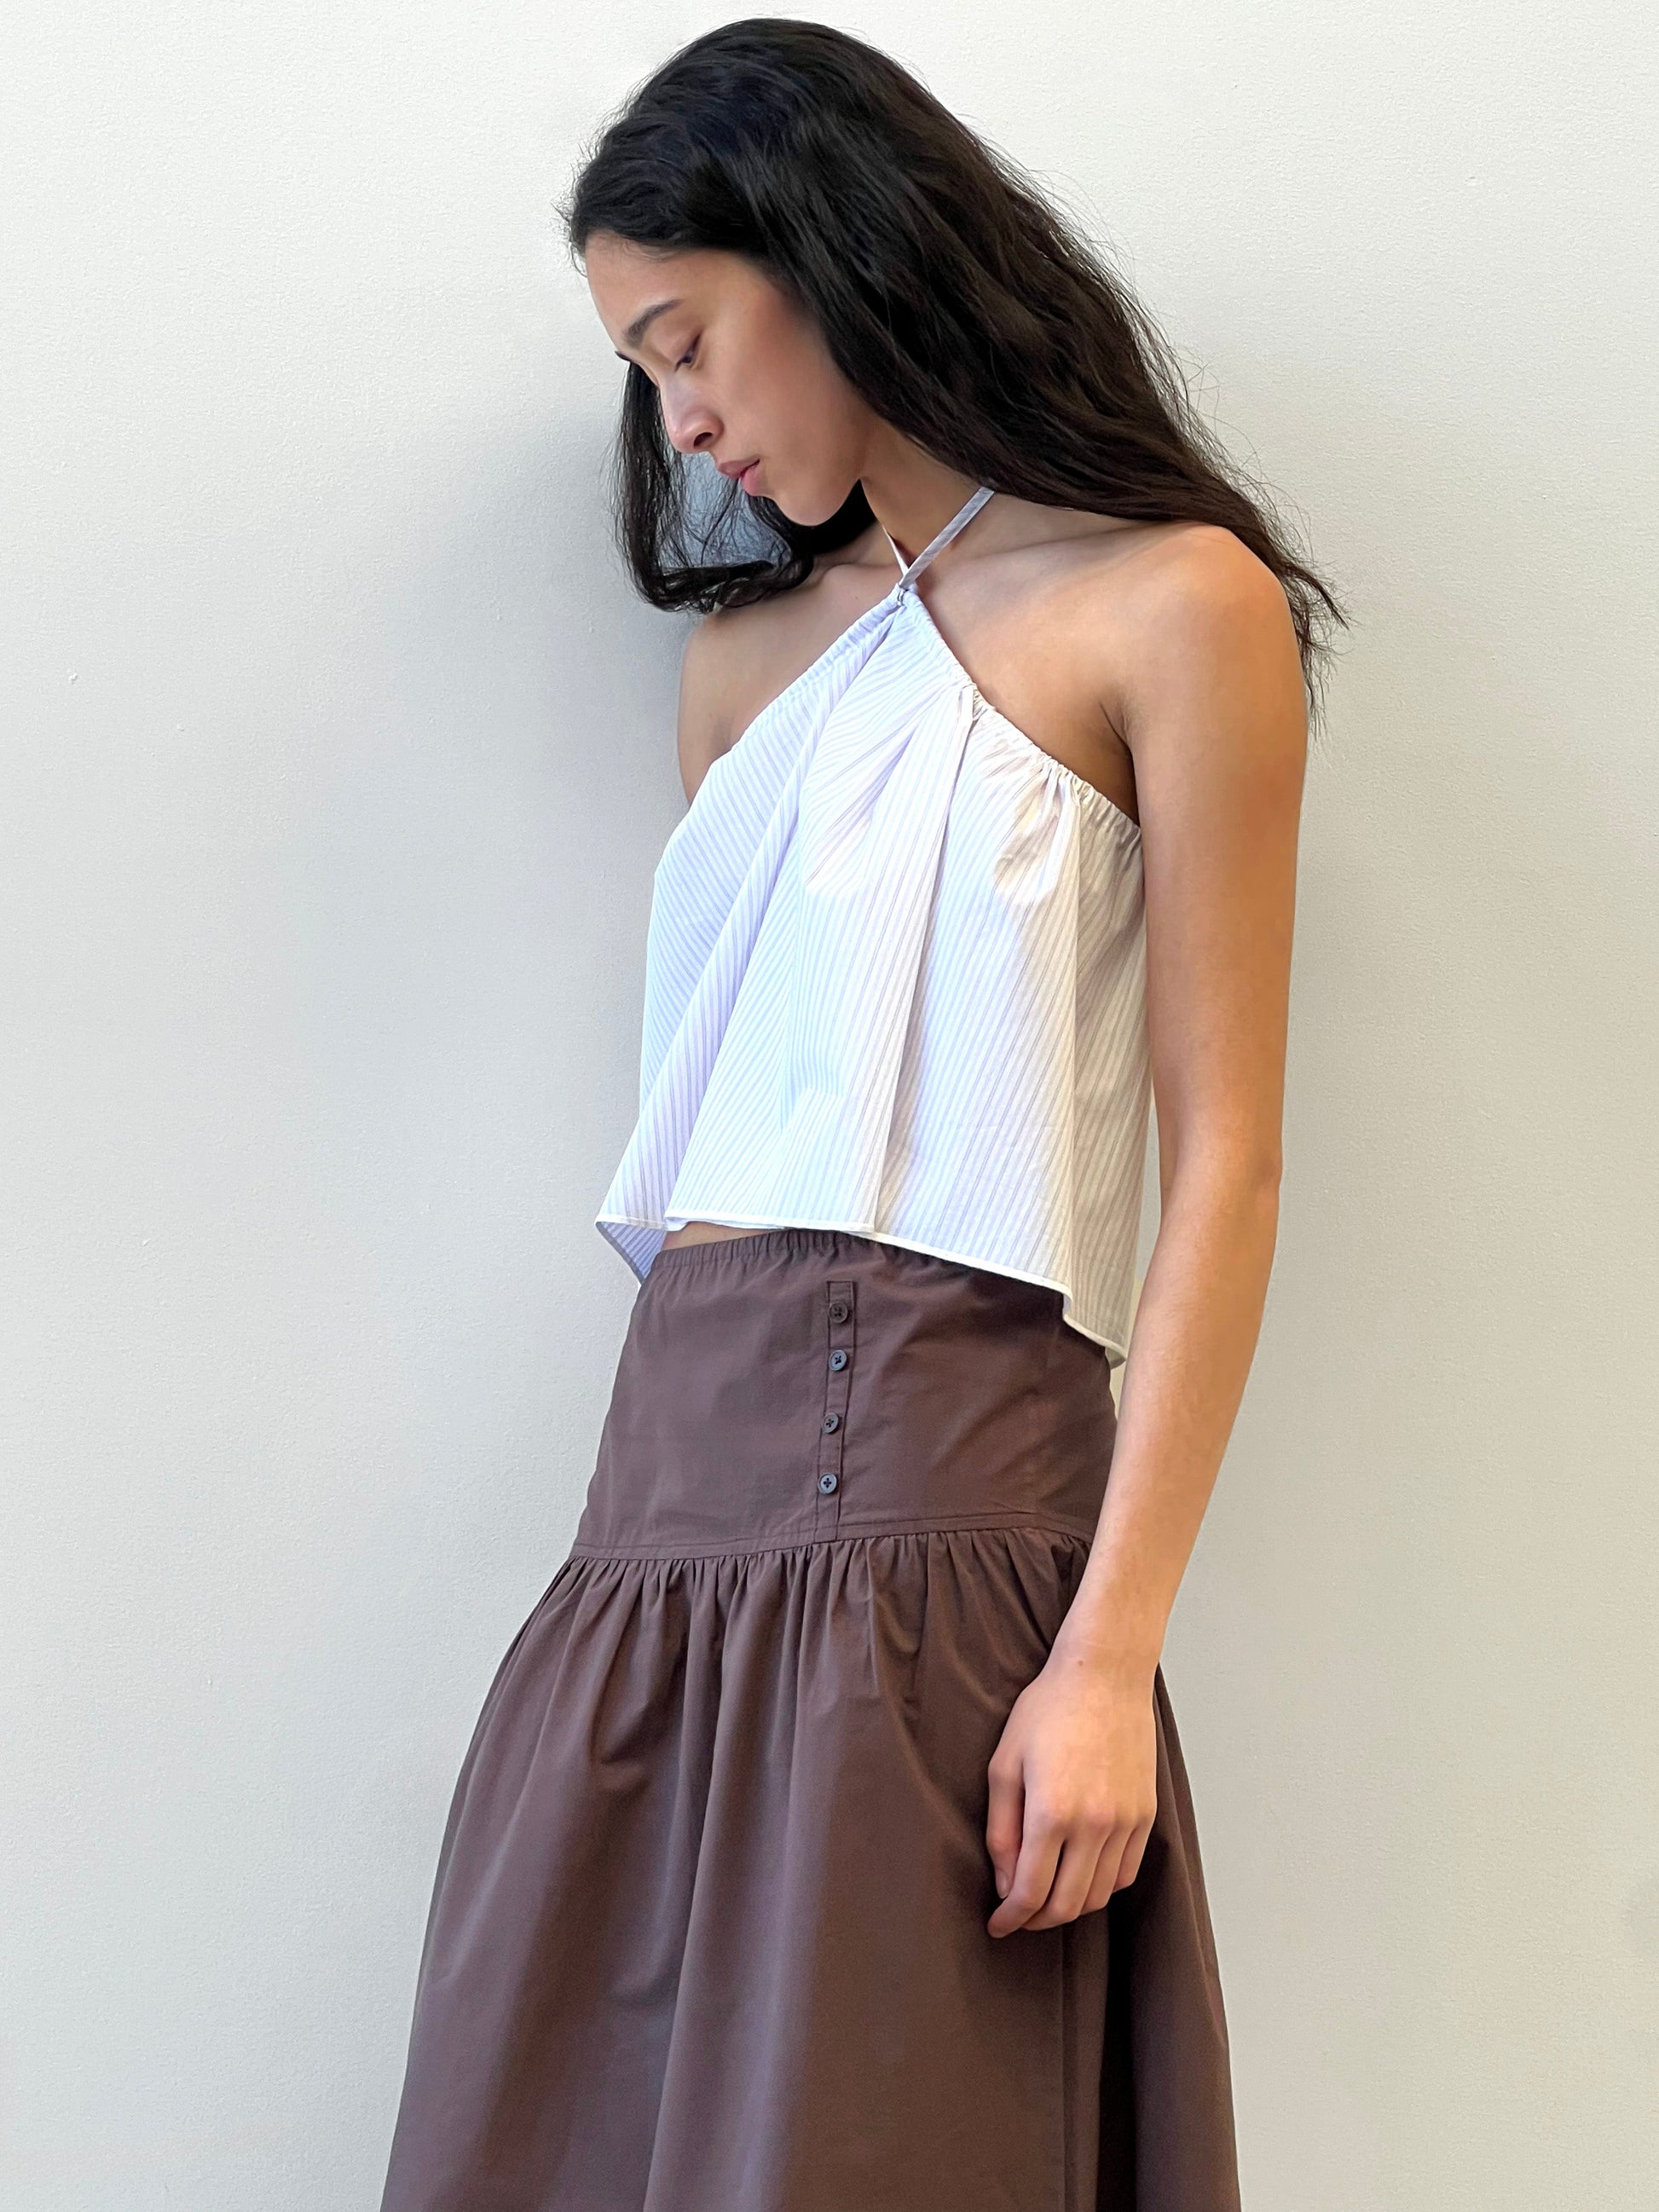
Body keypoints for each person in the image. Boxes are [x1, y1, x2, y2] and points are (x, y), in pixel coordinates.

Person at [379, 20, 1342, 2211]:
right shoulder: (737, 673)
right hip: (646, 1553)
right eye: (643, 368)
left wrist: (1106, 1653)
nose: (679, 415)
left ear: (828, 251)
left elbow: (1230, 1166)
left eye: (683, 334)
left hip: (935, 1535)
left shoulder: (1166, 603)